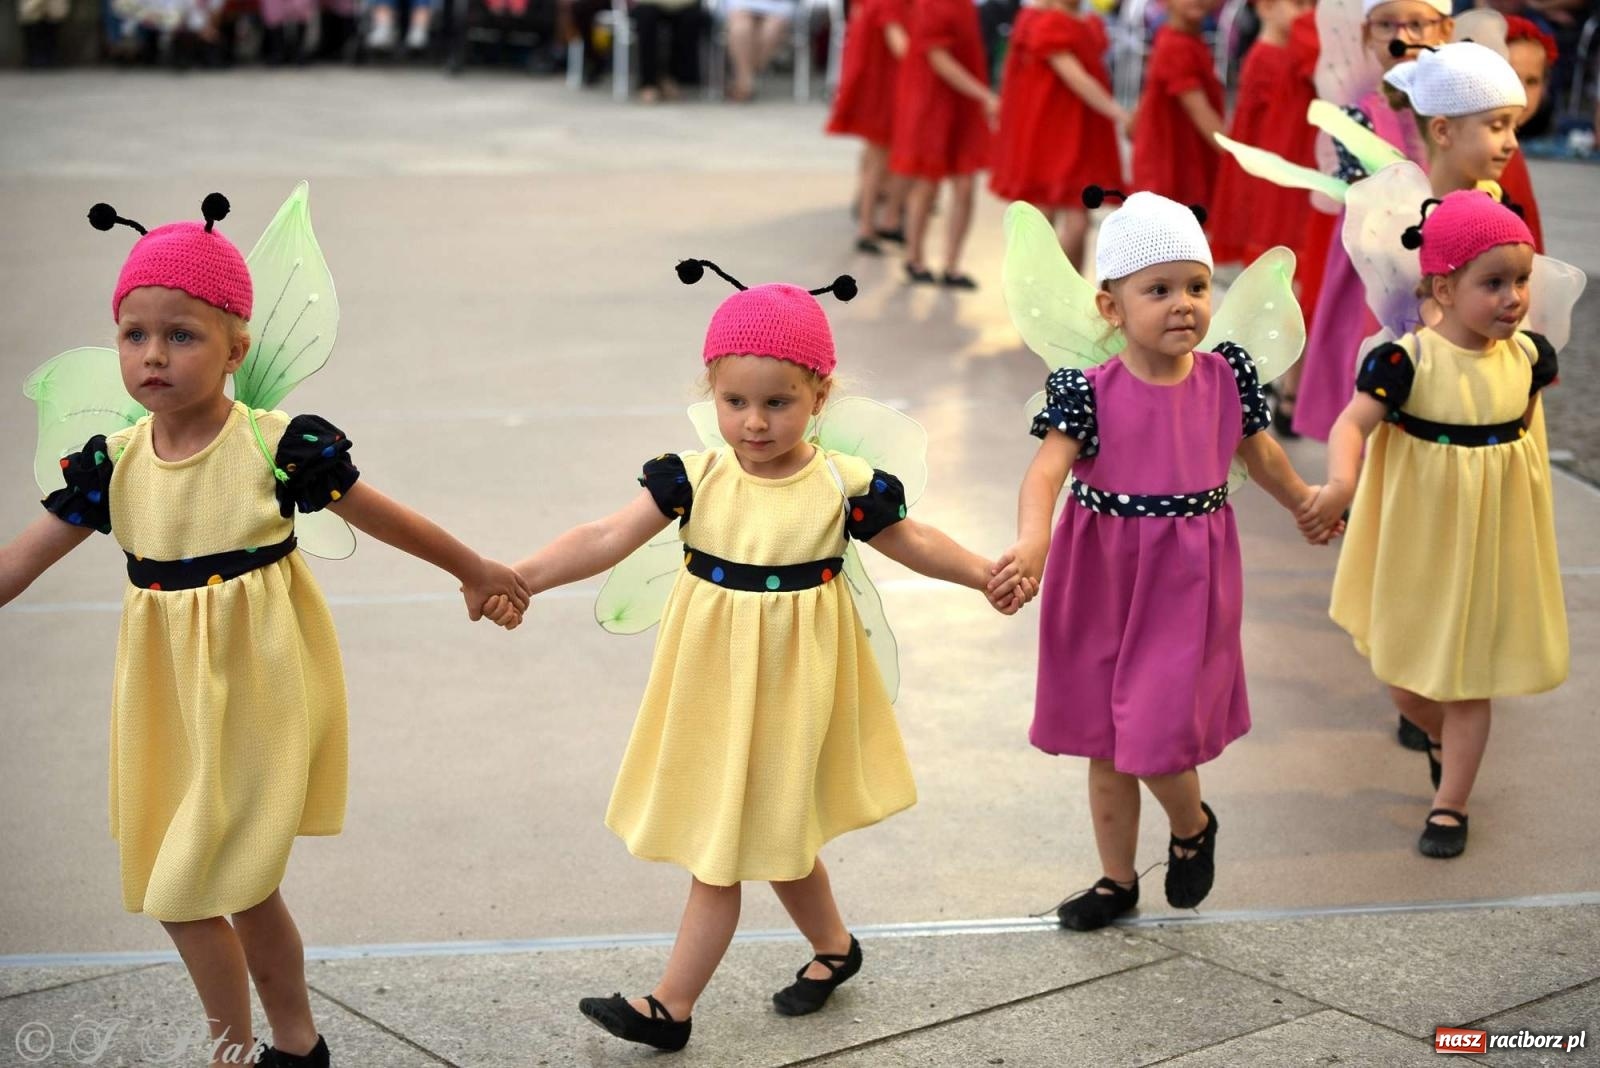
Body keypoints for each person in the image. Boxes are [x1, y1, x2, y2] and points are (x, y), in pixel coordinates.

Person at [0, 192, 529, 1068]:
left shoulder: (276, 446)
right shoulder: (112, 465)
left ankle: (232, 1049)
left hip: (260, 690)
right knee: (246, 890)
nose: (154, 355)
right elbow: (20, 561)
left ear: (236, 349)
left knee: (184, 891)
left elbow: (383, 516)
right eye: (135, 335)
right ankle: (297, 1044)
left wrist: (474, 569)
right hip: (170, 703)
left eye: (183, 335)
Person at [487, 260, 1022, 1051]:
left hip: (796, 691)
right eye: (736, 402)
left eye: (779, 403)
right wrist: (520, 577)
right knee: (775, 834)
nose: (756, 423)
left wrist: (983, 574)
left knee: (727, 849)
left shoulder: (844, 487)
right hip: (712, 689)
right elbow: (604, 536)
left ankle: (670, 1007)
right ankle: (835, 950)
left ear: (820, 396)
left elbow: (914, 542)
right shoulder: (693, 481)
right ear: (713, 393)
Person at [992, 190, 1323, 930]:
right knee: (1106, 741)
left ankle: (1191, 825)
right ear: (1111, 309)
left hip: (1186, 583)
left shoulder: (1224, 380)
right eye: (1160, 290)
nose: (1184, 306)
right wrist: (1034, 537)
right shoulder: (1086, 393)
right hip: (1100, 576)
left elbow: (1260, 454)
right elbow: (1045, 473)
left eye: (1198, 287)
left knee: (1154, 731)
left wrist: (1304, 499)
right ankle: (1116, 879)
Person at [1300, 190, 1567, 859]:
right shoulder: (1405, 362)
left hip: (1491, 539)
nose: (1513, 298)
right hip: (1418, 538)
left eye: (1522, 281)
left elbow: (1527, 432)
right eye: (1494, 283)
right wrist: (1340, 483)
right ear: (1443, 288)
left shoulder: (1530, 357)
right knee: (1403, 676)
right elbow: (1351, 424)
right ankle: (1443, 738)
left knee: (1468, 678)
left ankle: (1451, 803)